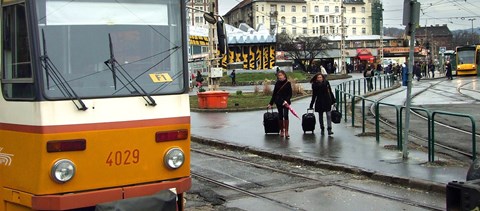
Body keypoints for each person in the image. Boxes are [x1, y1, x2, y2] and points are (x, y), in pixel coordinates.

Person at [268, 70, 292, 138]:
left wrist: (286, 101)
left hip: (286, 102)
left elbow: (290, 94)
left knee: (286, 115)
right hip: (279, 101)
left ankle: (286, 131)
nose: (280, 77)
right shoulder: (277, 83)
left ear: (284, 75)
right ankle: (282, 130)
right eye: (279, 76)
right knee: (280, 115)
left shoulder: (288, 83)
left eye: (281, 75)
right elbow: (274, 94)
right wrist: (271, 103)